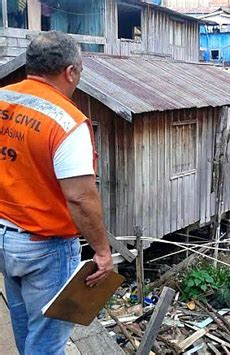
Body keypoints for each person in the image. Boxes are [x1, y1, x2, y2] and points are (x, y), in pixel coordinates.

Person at [0, 31, 113, 354]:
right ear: (71, 72)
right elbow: (80, 197)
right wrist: (102, 253)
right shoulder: (67, 122)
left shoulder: (3, 99)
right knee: (48, 339)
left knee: (23, 322)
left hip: (4, 240)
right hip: (44, 248)